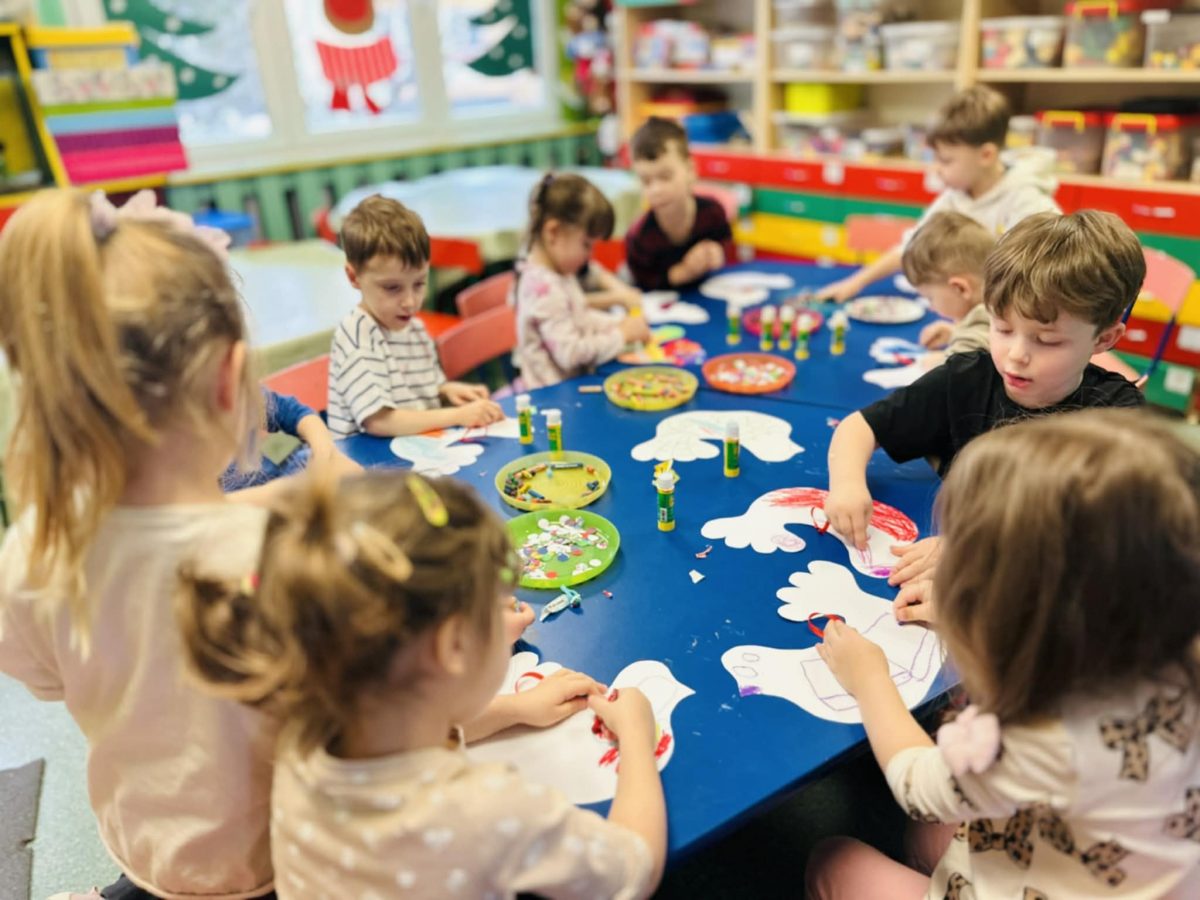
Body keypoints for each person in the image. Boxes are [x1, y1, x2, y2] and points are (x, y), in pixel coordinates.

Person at [179, 472, 667, 898]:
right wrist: (635, 738)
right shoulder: (486, 810)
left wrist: (516, 709)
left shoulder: (298, 742)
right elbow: (630, 872)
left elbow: (406, 731)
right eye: (494, 611)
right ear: (453, 646)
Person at [0, 189, 277, 899]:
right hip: (272, 866)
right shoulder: (276, 562)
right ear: (229, 378)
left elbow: (48, 678)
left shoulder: (30, 552)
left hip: (149, 848)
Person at [807, 408, 1200, 899]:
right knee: (926, 837)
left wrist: (869, 678)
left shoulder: (1032, 731)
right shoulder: (1169, 662)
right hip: (1108, 865)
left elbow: (918, 786)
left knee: (834, 861)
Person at [824, 210, 1145, 556]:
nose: (1016, 355)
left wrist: (973, 553)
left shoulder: (1117, 421)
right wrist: (847, 486)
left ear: (1104, 339)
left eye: (1046, 341)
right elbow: (858, 428)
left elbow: (1095, 539)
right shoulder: (967, 378)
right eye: (1002, 329)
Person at [816, 85, 1059, 303]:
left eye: (946, 160)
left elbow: (1043, 277)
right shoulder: (955, 196)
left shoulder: (1027, 200)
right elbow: (911, 246)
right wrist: (855, 283)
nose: (936, 169)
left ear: (986, 155)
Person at [328, 194, 504, 438]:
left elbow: (419, 394)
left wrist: (446, 391)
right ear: (354, 277)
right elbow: (380, 421)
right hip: (365, 460)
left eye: (419, 284)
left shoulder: (415, 329)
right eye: (392, 288)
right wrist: (458, 415)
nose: (410, 302)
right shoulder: (357, 335)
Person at [514, 172, 650, 389]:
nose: (590, 255)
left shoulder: (559, 273)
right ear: (553, 232)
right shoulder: (543, 288)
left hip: (570, 388)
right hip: (550, 397)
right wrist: (622, 334)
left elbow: (579, 317)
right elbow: (570, 353)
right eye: (586, 244)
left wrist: (618, 324)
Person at [624, 116, 734, 292]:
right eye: (646, 181)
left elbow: (727, 249)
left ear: (690, 171)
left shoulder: (713, 213)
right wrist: (681, 272)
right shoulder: (639, 238)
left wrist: (717, 253)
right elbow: (642, 285)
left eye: (665, 177)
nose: (656, 190)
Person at [221, 387, 360, 502]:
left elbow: (294, 413)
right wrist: (281, 491)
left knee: (348, 471)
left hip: (287, 480)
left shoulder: (234, 389)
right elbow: (214, 505)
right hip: (246, 511)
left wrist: (323, 455)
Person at [901, 211, 996, 370]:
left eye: (930, 298)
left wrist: (940, 362)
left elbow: (962, 369)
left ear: (960, 288)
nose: (931, 307)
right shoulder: (991, 309)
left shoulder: (984, 320)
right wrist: (954, 332)